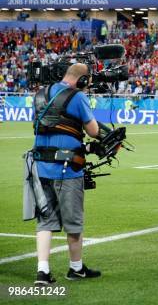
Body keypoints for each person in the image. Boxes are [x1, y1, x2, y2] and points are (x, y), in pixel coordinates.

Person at [30, 63, 101, 285]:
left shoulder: (40, 94)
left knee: (45, 220)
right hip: (67, 168)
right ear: (81, 80)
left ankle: (42, 271)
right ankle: (76, 268)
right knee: (74, 222)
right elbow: (93, 131)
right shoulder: (77, 97)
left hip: (40, 166)